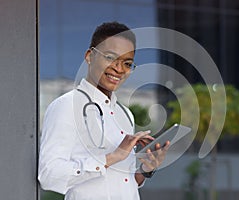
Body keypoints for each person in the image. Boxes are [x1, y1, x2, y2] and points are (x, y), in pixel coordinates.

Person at [38, 21, 170, 200]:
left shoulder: (125, 115)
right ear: (90, 56)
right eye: (110, 57)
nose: (118, 68)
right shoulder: (67, 106)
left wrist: (146, 170)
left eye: (127, 63)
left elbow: (123, 181)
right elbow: (48, 175)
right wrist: (111, 157)